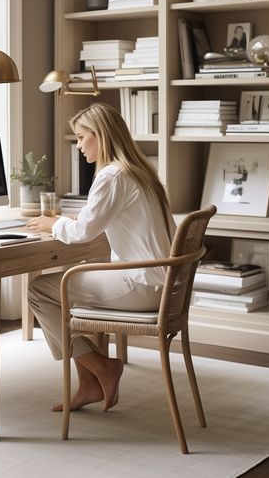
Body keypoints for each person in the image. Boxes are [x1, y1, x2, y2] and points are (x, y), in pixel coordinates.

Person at [26, 102, 175, 413]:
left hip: (142, 285)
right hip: (162, 284)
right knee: (71, 289)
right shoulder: (141, 172)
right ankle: (90, 381)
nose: (78, 145)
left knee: (40, 290)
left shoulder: (112, 176)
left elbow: (82, 232)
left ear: (102, 136)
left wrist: (53, 223)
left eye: (82, 137)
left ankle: (101, 368)